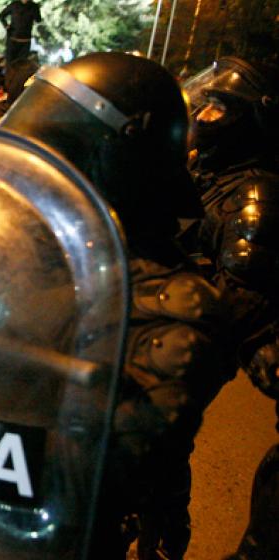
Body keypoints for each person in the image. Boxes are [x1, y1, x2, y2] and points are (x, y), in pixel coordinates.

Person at [0, 52, 233, 559]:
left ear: (112, 161)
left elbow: (96, 473)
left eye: (51, 161)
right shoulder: (23, 248)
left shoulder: (164, 308)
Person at [184, 56, 279, 560]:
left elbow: (236, 299)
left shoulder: (253, 195)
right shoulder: (212, 173)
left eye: (218, 108)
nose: (204, 116)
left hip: (230, 344)